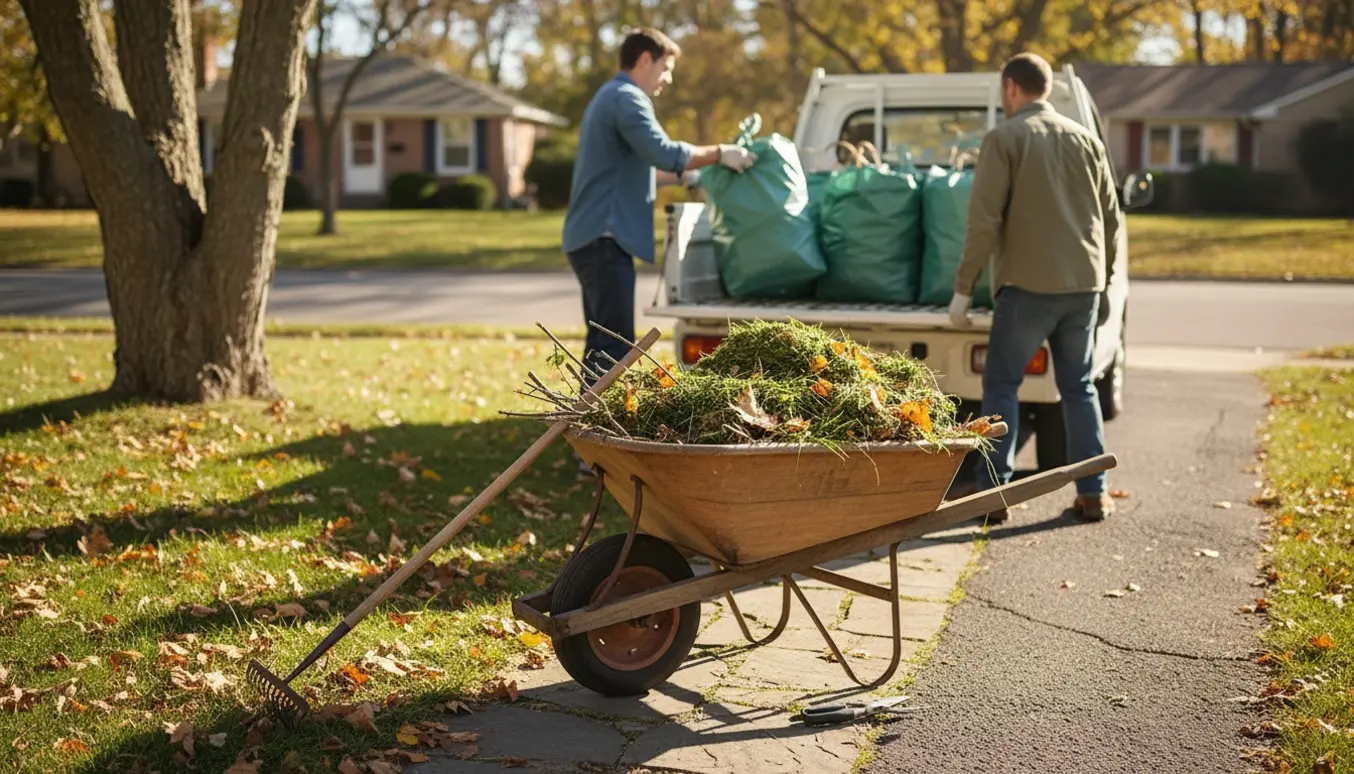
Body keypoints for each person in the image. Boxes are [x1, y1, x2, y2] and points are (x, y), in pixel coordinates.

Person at [948, 52, 1123, 524]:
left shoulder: (1004, 139)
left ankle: (993, 497)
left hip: (1027, 288)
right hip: (1082, 287)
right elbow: (1111, 220)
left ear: (1010, 88)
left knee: (1002, 384)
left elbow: (984, 221)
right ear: (1047, 89)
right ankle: (1094, 493)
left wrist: (963, 290)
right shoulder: (1087, 140)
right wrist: (1103, 284)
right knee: (1079, 386)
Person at [562, 27, 756, 382]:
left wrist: (688, 177)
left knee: (601, 345)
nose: (667, 80)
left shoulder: (608, 97)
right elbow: (663, 153)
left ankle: (584, 427)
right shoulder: (627, 98)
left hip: (590, 238)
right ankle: (600, 433)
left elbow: (632, 173)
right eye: (665, 69)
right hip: (604, 240)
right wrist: (719, 154)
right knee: (614, 349)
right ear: (644, 59)